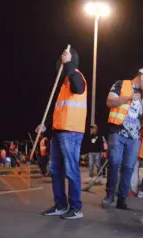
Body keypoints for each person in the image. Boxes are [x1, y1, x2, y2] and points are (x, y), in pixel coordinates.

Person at [102, 67, 143, 210]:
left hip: (135, 137)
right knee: (114, 164)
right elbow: (109, 102)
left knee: (128, 167)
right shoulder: (121, 84)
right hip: (118, 132)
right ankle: (109, 196)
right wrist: (128, 98)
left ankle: (122, 199)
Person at [41, 47, 87, 220]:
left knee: (71, 170)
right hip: (58, 130)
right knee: (55, 170)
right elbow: (59, 110)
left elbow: (79, 88)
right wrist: (46, 126)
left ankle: (76, 208)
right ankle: (61, 205)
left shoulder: (76, 76)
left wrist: (68, 64)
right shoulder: (63, 84)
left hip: (71, 131)